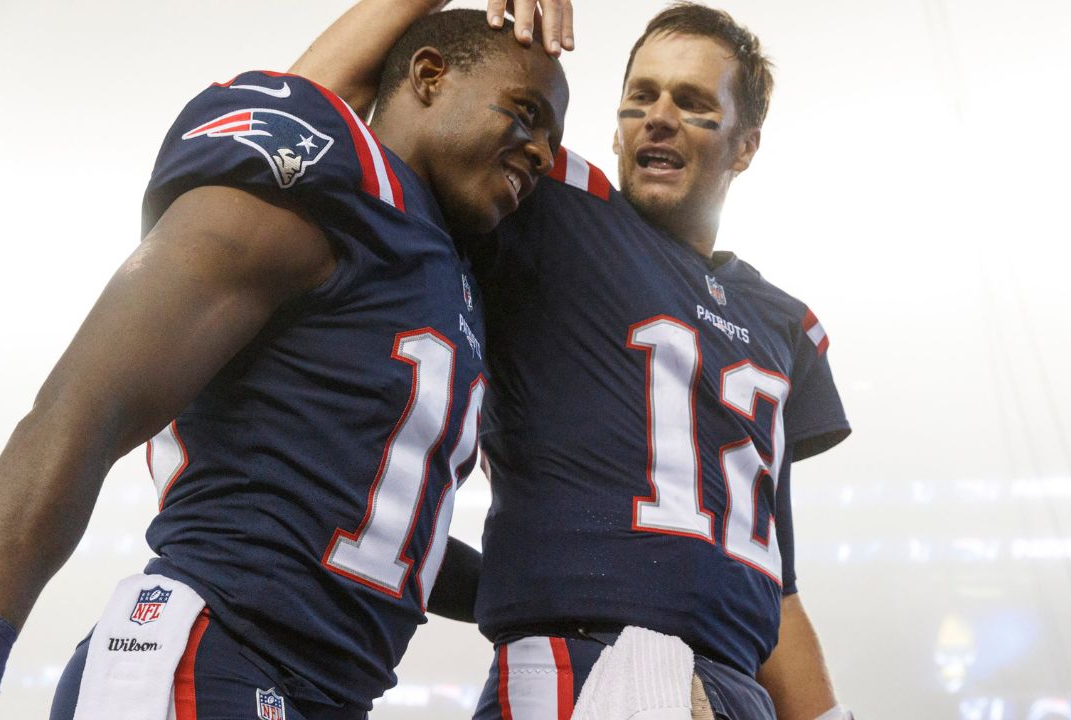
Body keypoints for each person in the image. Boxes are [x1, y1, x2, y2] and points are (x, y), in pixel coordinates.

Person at [0, 8, 569, 719]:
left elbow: (389, 544)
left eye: (551, 140)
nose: (539, 152)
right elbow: (78, 412)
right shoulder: (330, 182)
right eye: (525, 113)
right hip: (215, 648)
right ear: (429, 75)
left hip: (317, 688)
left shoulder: (451, 274)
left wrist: (577, 592)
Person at [296, 2, 854, 719]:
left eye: (690, 102)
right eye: (640, 98)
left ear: (745, 146)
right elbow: (311, 126)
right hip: (582, 661)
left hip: (740, 690)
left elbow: (776, 584)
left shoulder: (784, 322)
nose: (658, 116)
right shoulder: (554, 205)